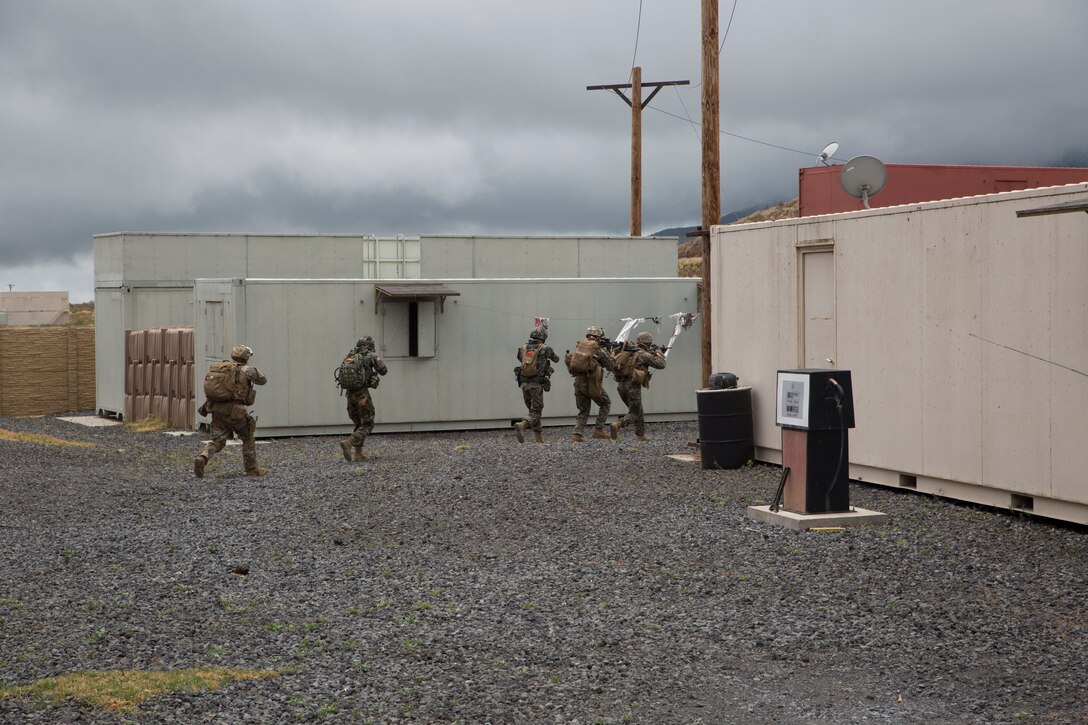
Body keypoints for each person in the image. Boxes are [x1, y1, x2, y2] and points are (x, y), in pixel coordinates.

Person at [194, 344, 267, 478]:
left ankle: (203, 457)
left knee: (218, 441)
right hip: (235, 412)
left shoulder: (221, 368)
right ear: (246, 357)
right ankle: (251, 469)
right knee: (247, 437)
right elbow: (263, 380)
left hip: (217, 409)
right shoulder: (247, 370)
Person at [338, 336, 388, 462]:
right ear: (370, 345)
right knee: (367, 423)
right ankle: (349, 442)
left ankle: (358, 454)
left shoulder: (350, 356)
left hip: (349, 395)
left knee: (359, 423)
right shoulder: (372, 356)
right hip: (361, 395)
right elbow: (383, 370)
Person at [610, 331, 667, 441]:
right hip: (632, 387)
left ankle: (640, 435)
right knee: (635, 412)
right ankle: (617, 425)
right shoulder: (643, 355)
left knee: (638, 410)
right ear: (648, 343)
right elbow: (661, 365)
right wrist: (659, 353)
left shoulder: (629, 352)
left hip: (621, 386)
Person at [565, 325, 615, 442]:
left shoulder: (579, 347)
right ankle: (599, 430)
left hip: (578, 383)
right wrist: (611, 354)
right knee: (606, 403)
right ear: (598, 337)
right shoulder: (598, 350)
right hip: (592, 383)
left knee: (583, 410)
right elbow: (611, 366)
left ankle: (577, 434)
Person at [514, 327, 559, 443]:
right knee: (536, 412)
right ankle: (522, 425)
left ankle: (539, 440)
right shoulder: (545, 348)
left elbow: (520, 359)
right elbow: (556, 359)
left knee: (532, 411)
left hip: (524, 384)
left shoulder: (523, 348)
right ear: (544, 337)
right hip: (536, 384)